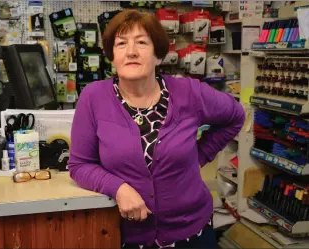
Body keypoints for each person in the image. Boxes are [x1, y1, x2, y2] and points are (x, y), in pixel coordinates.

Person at [68, 9, 245, 249]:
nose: (131, 51)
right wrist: (118, 188)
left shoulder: (189, 93)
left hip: (193, 234)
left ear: (158, 55)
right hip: (129, 238)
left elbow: (235, 116)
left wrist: (198, 156)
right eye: (121, 44)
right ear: (112, 56)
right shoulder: (94, 98)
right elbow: (80, 165)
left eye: (141, 42)